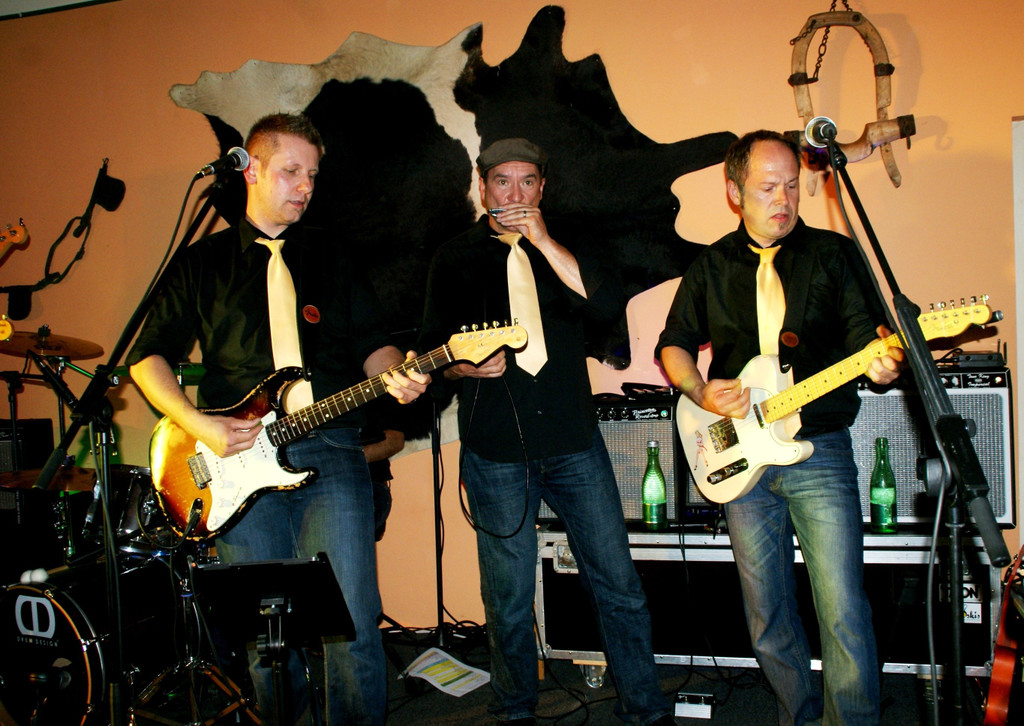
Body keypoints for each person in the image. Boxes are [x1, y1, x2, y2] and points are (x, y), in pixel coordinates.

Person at [127, 112, 428, 725]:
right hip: (234, 462)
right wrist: (200, 424)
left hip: (331, 449)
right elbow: (146, 358)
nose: (305, 186)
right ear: (250, 168)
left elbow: (374, 344)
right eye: (291, 171)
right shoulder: (202, 262)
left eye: (312, 175)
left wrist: (398, 372)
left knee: (350, 625)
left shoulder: (334, 255)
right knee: (264, 640)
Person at [419, 138, 675, 725]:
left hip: (573, 442)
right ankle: (515, 709)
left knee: (617, 582)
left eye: (527, 181)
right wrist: (463, 368)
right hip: (495, 451)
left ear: (542, 187)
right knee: (508, 597)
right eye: (502, 181)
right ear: (482, 186)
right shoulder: (454, 259)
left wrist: (542, 241)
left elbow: (604, 306)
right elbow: (432, 355)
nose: (514, 193)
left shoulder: (569, 245)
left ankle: (645, 708)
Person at [657, 130, 903, 726]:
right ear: (734, 192)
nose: (784, 199)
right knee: (766, 612)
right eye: (768, 187)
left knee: (842, 609)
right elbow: (674, 344)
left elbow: (866, 336)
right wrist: (699, 390)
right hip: (740, 457)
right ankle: (799, 715)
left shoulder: (833, 255)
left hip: (818, 448)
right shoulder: (712, 264)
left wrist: (883, 360)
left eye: (792, 186)